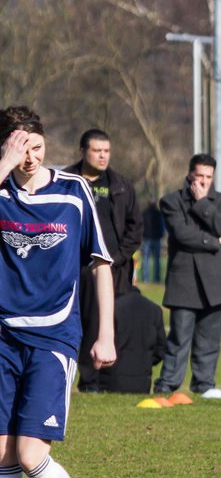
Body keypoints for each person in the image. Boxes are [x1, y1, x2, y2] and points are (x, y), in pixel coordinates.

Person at [0, 106, 113, 478]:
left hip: (53, 337)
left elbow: (101, 263)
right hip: (3, 337)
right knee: (1, 457)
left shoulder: (73, 191)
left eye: (37, 145)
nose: (31, 156)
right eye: (20, 147)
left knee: (29, 453)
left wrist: (105, 333)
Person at [154, 155, 221, 399]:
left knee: (209, 339)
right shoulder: (170, 201)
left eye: (208, 177)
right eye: (199, 175)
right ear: (189, 174)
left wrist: (202, 202)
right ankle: (167, 385)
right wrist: (214, 242)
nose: (202, 181)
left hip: (216, 281)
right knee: (179, 337)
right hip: (184, 280)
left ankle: (204, 385)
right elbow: (182, 235)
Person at [67, 129, 141, 391]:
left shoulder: (120, 185)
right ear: (82, 151)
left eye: (106, 151)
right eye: (97, 150)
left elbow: (135, 227)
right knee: (81, 323)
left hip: (112, 269)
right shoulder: (67, 181)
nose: (102, 156)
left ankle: (106, 379)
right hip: (75, 269)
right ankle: (83, 380)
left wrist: (118, 257)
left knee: (109, 322)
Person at [97, 281, 165, 394]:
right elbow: (161, 348)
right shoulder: (155, 310)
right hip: (142, 381)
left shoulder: (111, 309)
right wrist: (145, 362)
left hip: (110, 380)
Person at [140, 198, 165, 283]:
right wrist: (162, 234)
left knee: (145, 259)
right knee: (157, 260)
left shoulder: (144, 213)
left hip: (147, 238)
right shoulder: (159, 213)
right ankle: (157, 279)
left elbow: (140, 226)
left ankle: (145, 279)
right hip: (156, 238)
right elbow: (162, 227)